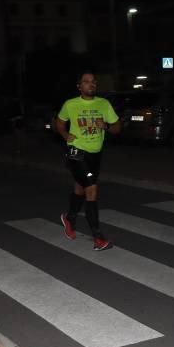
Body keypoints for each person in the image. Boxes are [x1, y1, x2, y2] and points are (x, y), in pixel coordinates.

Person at [56, 71, 121, 251]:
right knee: (91, 189)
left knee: (80, 187)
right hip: (76, 151)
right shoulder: (71, 104)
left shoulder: (103, 104)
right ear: (79, 86)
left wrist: (106, 126)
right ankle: (98, 237)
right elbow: (59, 123)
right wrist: (64, 134)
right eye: (86, 82)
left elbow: (117, 127)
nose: (90, 85)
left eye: (93, 82)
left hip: (95, 154)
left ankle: (69, 217)